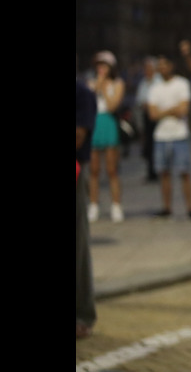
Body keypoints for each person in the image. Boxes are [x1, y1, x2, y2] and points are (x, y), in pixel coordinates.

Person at [148, 53, 191, 220]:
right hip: (161, 135)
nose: (162, 68)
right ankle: (166, 207)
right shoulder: (154, 87)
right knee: (164, 173)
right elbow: (152, 114)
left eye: (164, 64)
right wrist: (172, 110)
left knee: (185, 172)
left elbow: (183, 110)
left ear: (171, 66)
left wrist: (164, 111)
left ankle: (190, 208)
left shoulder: (181, 83)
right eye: (159, 65)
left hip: (179, 134)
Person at [87, 50, 127, 223]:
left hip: (108, 123)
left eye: (104, 65)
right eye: (99, 65)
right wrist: (97, 84)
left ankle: (116, 205)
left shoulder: (117, 83)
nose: (101, 69)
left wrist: (103, 86)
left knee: (112, 169)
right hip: (94, 123)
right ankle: (94, 204)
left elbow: (112, 106)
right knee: (94, 170)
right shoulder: (89, 83)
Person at [77, 77, 98, 339]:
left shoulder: (81, 93)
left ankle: (82, 313)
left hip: (75, 172)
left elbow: (78, 135)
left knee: (78, 245)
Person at [135, 56, 162, 182]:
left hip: (159, 118)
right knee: (149, 146)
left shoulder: (159, 82)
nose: (146, 70)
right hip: (147, 117)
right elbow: (140, 101)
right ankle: (151, 172)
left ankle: (161, 171)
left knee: (159, 145)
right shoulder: (143, 83)